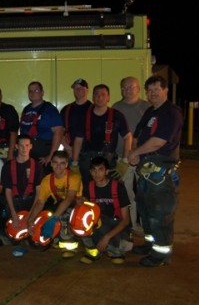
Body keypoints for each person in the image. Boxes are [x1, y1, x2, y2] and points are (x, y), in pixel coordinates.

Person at [128, 75, 183, 268]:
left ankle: (161, 254)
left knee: (160, 213)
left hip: (161, 171)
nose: (152, 93)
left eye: (156, 89)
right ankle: (151, 244)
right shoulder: (151, 112)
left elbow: (159, 141)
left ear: (166, 90)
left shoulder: (170, 113)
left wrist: (136, 152)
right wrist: (134, 150)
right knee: (145, 210)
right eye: (149, 90)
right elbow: (138, 134)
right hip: (146, 170)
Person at [112, 76, 151, 236]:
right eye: (125, 87)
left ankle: (147, 226)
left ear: (138, 89)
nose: (128, 90)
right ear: (121, 90)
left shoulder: (147, 107)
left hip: (143, 157)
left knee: (146, 194)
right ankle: (133, 224)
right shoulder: (116, 108)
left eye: (131, 87)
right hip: (123, 158)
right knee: (128, 194)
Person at [27, 150, 82, 257]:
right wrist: (31, 220)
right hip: (60, 204)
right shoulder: (47, 180)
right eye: (56, 162)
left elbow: (69, 199)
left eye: (62, 163)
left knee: (63, 215)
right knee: (45, 214)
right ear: (51, 163)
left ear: (66, 164)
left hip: (76, 205)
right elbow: (40, 202)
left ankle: (69, 245)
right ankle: (53, 238)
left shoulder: (74, 177)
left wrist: (54, 218)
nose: (58, 166)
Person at [78, 156, 131, 265]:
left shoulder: (118, 187)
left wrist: (107, 237)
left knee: (123, 244)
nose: (96, 173)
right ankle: (93, 251)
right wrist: (81, 202)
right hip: (99, 222)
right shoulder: (89, 187)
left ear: (107, 171)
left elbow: (125, 220)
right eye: (94, 170)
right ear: (90, 171)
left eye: (100, 169)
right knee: (77, 219)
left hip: (115, 223)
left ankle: (115, 250)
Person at [77, 84, 132, 189]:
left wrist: (124, 161)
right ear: (92, 97)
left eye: (103, 94)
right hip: (87, 161)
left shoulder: (117, 115)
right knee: (87, 190)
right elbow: (78, 140)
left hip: (109, 160)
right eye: (96, 94)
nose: (99, 97)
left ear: (108, 97)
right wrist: (74, 163)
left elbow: (127, 137)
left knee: (111, 190)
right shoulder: (84, 116)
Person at [1, 135, 43, 243]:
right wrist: (13, 214)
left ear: (31, 147)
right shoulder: (8, 166)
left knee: (35, 236)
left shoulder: (37, 166)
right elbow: (8, 191)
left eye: (27, 145)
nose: (24, 149)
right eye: (21, 146)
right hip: (15, 203)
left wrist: (31, 214)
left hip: (31, 202)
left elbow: (39, 192)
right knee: (13, 235)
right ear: (16, 146)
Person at [19, 81, 64, 174]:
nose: (32, 93)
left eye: (35, 90)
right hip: (28, 153)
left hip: (43, 155)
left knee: (43, 183)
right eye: (30, 91)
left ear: (42, 92)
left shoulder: (49, 109)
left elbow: (58, 132)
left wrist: (51, 156)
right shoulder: (26, 109)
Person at [61, 79, 92, 174]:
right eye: (76, 88)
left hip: (89, 154)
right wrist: (67, 147)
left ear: (87, 90)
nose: (78, 90)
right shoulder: (66, 109)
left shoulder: (94, 109)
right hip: (69, 154)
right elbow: (59, 131)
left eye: (81, 88)